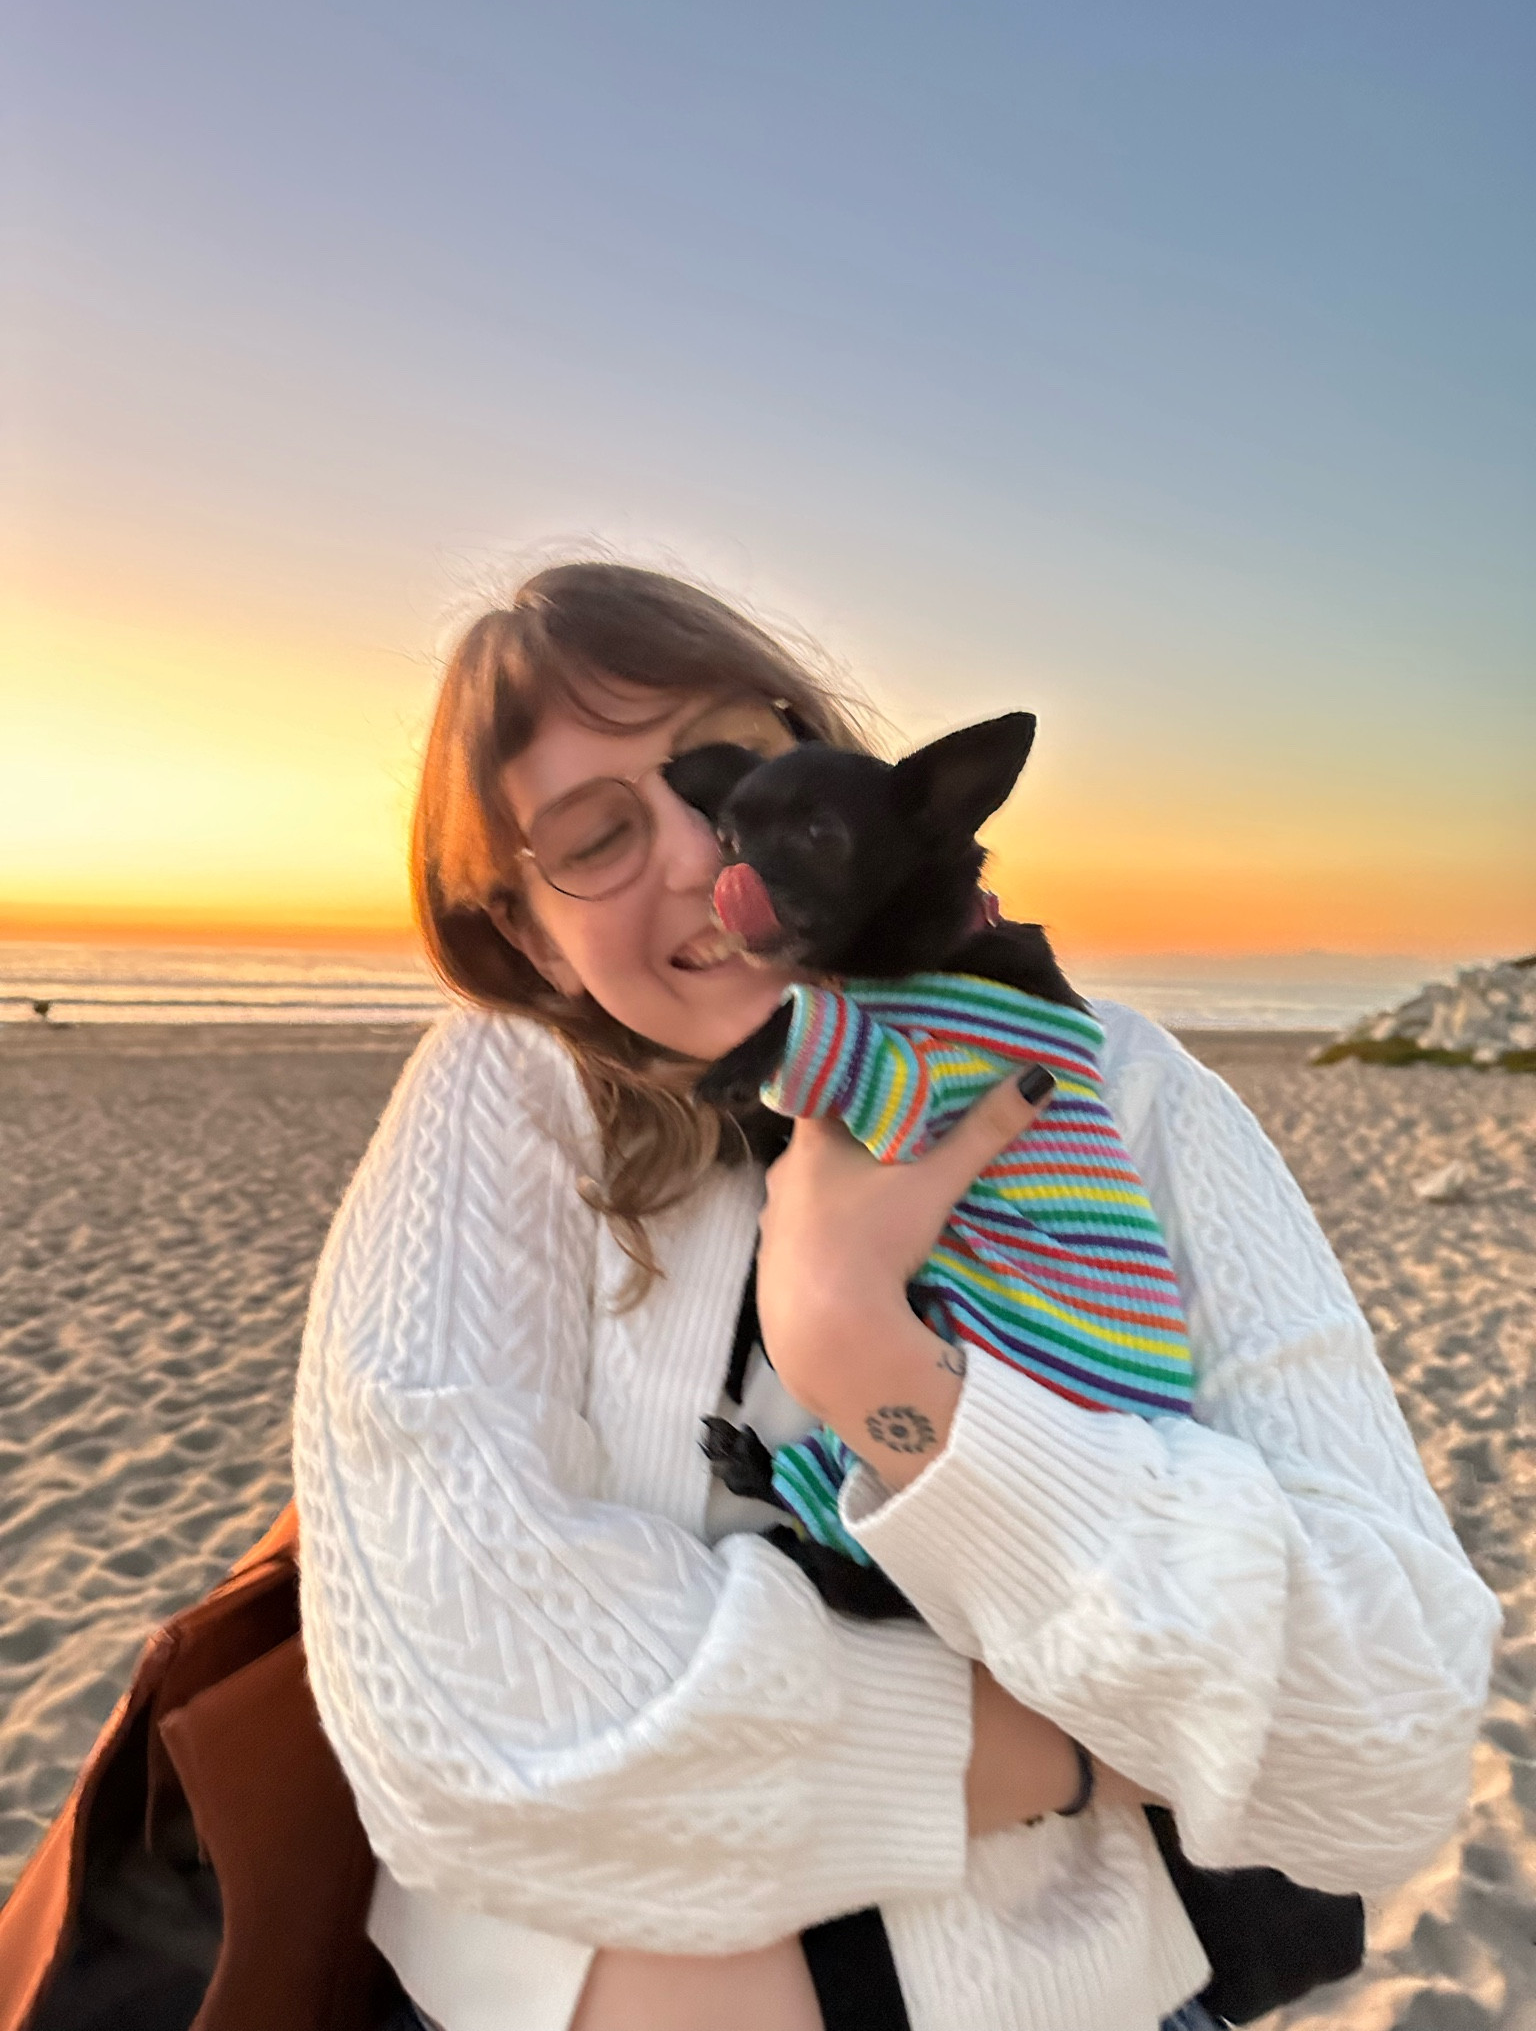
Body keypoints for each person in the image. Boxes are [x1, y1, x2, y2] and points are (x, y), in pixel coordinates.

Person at [292, 562, 1499, 2031]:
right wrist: (1078, 1751)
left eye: (726, 775)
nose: (701, 856)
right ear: (530, 938)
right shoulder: (505, 1099)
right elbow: (464, 1728)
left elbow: (1383, 1740)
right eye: (597, 838)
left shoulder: (1116, 1089)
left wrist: (870, 1361)